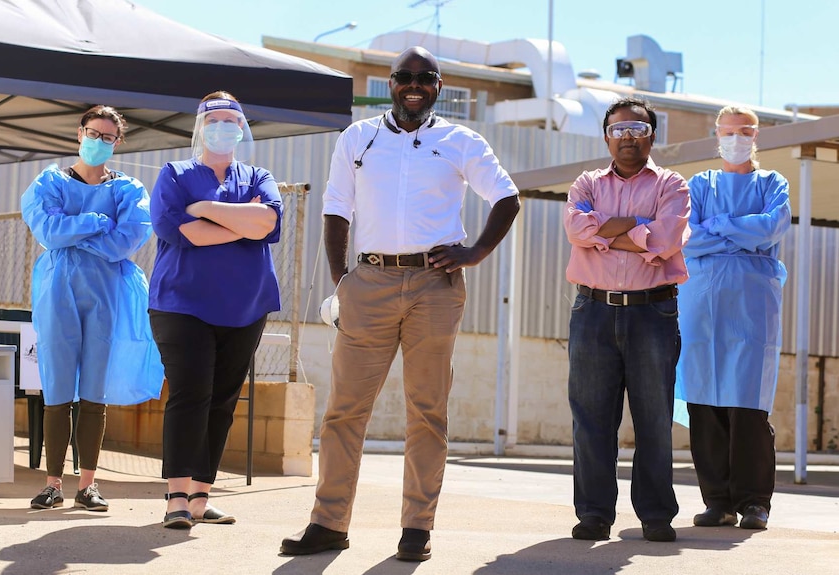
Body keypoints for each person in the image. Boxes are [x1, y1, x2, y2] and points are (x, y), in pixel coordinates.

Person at [280, 46, 520, 562]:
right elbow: (335, 209)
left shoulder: (461, 141)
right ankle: (328, 523)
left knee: (427, 411)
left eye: (425, 78)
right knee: (345, 411)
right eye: (404, 77)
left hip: (435, 287)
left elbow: (506, 197)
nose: (414, 84)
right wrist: (343, 282)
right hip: (368, 282)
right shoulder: (357, 138)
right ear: (391, 83)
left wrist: (474, 251)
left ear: (439, 86)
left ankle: (417, 528)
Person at [148, 91, 282, 529]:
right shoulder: (174, 173)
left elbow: (268, 223)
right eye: (215, 120)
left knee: (223, 399)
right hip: (182, 305)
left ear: (243, 128)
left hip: (246, 306)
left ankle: (202, 498)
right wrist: (242, 222)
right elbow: (184, 232)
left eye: (232, 120)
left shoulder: (259, 175)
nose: (223, 127)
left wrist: (205, 210)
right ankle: (177, 500)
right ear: (201, 128)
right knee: (190, 395)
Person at [21, 105, 164, 512]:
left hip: (105, 294)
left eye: (107, 136)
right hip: (57, 290)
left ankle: (87, 484)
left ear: (118, 143)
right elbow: (46, 229)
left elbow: (127, 240)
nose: (98, 141)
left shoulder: (129, 189)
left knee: (93, 388)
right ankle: (53, 484)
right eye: (92, 132)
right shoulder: (49, 181)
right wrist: (99, 220)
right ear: (78, 133)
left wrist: (74, 228)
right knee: (57, 384)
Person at [563, 97, 690, 543]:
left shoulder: (672, 184)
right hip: (592, 309)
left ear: (652, 135)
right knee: (591, 419)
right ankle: (594, 513)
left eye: (637, 129)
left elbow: (667, 238)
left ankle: (656, 515)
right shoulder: (586, 182)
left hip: (653, 311)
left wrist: (609, 230)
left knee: (653, 418)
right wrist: (639, 228)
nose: (628, 137)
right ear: (605, 136)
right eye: (619, 130)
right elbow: (575, 229)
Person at [675, 106, 791, 530]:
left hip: (752, 305)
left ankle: (754, 502)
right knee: (705, 403)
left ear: (756, 136)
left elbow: (771, 227)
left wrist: (718, 229)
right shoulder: (700, 184)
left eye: (744, 131)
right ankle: (717, 501)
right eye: (729, 131)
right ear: (716, 135)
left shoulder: (772, 183)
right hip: (702, 304)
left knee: (748, 407)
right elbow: (687, 236)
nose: (736, 138)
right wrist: (739, 231)